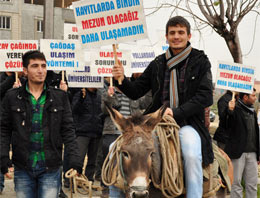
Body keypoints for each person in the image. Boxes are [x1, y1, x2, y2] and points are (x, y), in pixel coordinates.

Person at [112, 16, 214, 198]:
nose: (176, 36)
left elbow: (205, 96)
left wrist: (176, 112)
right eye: (172, 33)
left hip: (188, 124)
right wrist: (121, 79)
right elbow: (136, 91)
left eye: (181, 32)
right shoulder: (158, 63)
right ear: (166, 37)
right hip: (153, 125)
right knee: (115, 148)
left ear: (189, 35)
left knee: (191, 155)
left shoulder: (201, 61)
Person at [0, 50, 82, 198]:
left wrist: (75, 159)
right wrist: (3, 157)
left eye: (43, 66)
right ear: (24, 70)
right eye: (35, 66)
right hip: (23, 167)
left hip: (51, 167)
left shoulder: (60, 97)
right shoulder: (12, 97)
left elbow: (68, 130)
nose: (40, 70)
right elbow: (4, 130)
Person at [224, 88, 259, 198]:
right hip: (237, 153)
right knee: (236, 184)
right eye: (253, 96)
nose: (255, 98)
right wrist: (230, 110)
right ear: (245, 97)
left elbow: (256, 133)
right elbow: (227, 125)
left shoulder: (253, 111)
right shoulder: (235, 109)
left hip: (253, 154)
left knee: (252, 184)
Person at [71, 88, 103, 182]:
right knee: (78, 159)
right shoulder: (80, 94)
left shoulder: (100, 95)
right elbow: (75, 109)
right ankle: (76, 180)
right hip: (82, 132)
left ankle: (89, 180)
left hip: (96, 132)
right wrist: (81, 98)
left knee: (93, 160)